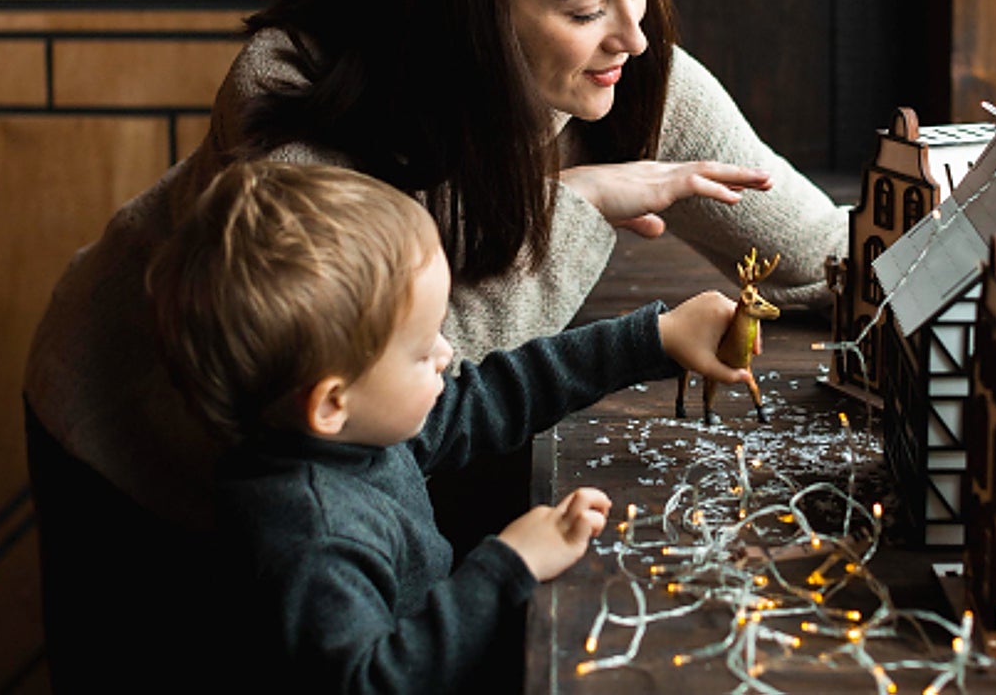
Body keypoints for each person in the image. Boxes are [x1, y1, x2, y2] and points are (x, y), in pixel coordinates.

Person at [22, 0, 845, 684]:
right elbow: (410, 373)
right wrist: (573, 202)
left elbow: (829, 251)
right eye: (587, 6)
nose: (633, 35)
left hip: (357, 482)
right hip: (141, 439)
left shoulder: (626, 68)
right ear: (474, 6)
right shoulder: (298, 94)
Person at [145, 160, 751, 693]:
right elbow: (374, 681)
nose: (445, 351)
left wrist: (656, 337)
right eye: (418, 349)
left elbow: (495, 393)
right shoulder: (314, 539)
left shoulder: (354, 433)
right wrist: (509, 563)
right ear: (330, 403)